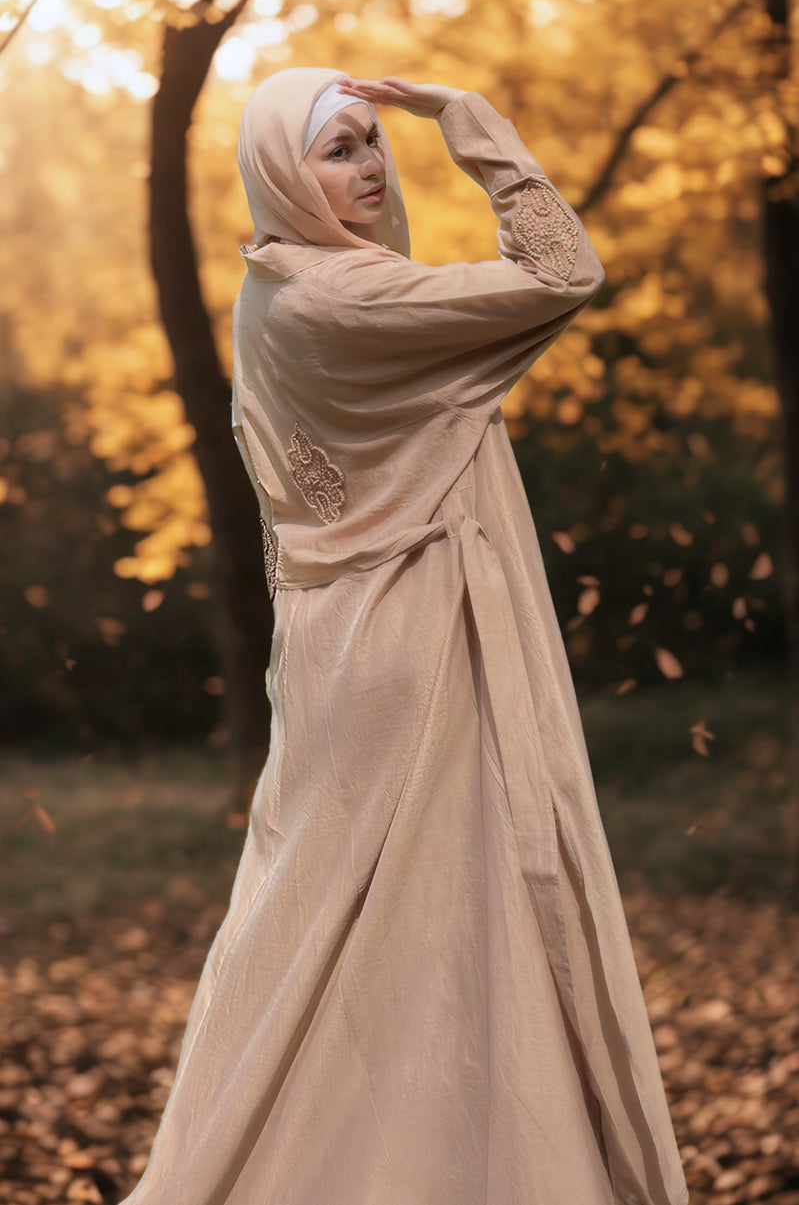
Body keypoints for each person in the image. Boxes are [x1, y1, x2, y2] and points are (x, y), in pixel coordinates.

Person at [117, 68, 688, 1205]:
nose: (370, 166)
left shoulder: (278, 286)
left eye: (374, 140)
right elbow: (564, 271)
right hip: (420, 639)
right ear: (283, 169)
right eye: (335, 148)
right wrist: (464, 122)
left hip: (344, 650)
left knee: (349, 919)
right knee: (435, 915)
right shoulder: (350, 301)